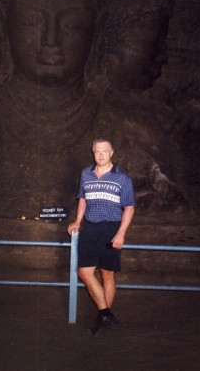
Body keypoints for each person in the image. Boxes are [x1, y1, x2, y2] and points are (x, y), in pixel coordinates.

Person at [67, 137, 135, 335]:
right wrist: (78, 221)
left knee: (107, 274)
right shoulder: (86, 174)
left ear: (111, 153)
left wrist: (121, 234)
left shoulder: (122, 177)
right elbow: (82, 200)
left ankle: (103, 318)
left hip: (111, 229)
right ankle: (106, 315)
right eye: (97, 151)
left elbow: (129, 208)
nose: (101, 154)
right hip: (90, 228)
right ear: (93, 152)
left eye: (105, 151)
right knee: (84, 272)